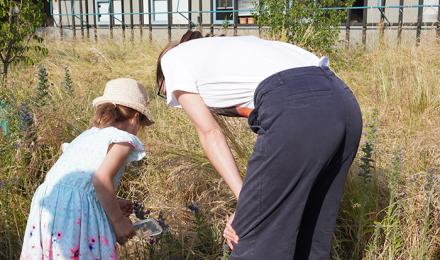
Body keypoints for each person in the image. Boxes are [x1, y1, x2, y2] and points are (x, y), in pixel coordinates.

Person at [156, 30, 363, 259]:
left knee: (251, 244)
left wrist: (246, 207)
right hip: (344, 104)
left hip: (295, 108)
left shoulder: (172, 59)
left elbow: (210, 132)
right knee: (310, 238)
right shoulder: (238, 50)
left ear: (162, 78)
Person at [20, 78, 154, 259]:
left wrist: (114, 201)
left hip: (47, 202)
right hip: (76, 210)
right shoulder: (123, 139)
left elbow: (78, 182)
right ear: (136, 117)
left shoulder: (88, 135)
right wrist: (118, 220)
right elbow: (100, 179)